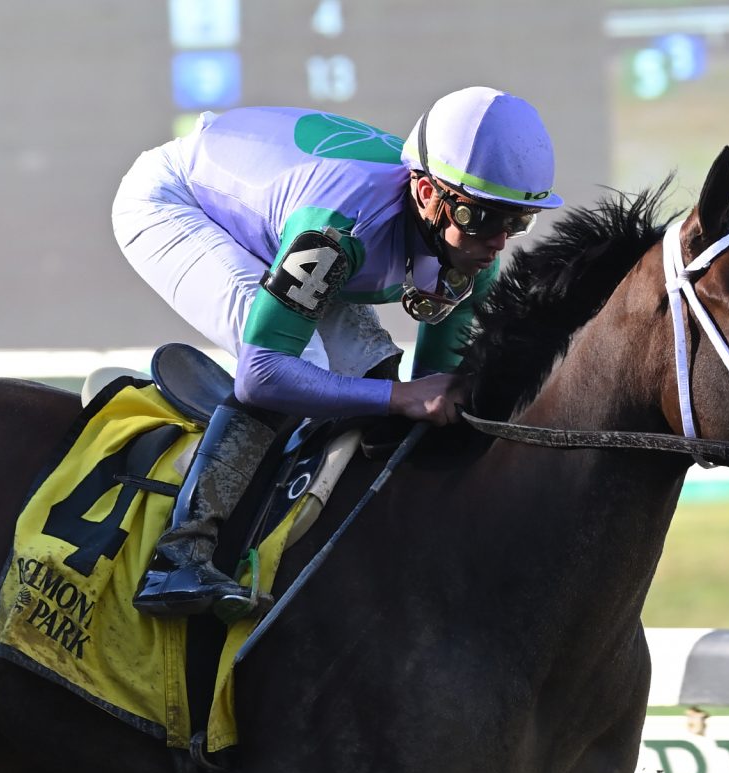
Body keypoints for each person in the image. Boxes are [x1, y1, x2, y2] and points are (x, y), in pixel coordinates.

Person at [112, 86, 562, 619]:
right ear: (426, 194)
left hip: (283, 208)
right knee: (309, 369)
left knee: (374, 373)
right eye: (482, 218)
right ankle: (178, 557)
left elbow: (435, 395)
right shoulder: (337, 230)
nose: (499, 242)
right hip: (175, 202)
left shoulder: (470, 246)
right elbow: (261, 375)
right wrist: (401, 396)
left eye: (516, 221)